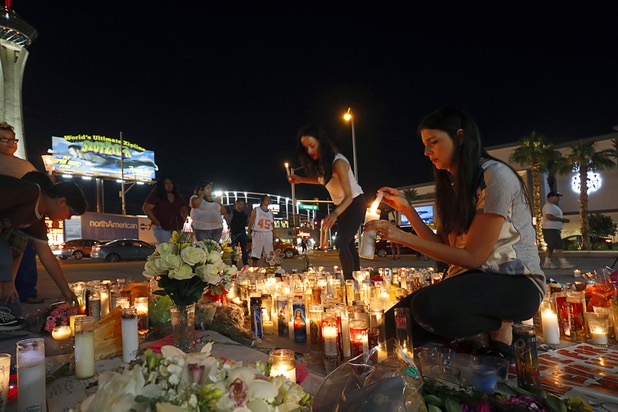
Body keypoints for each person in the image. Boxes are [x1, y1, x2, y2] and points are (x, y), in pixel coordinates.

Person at [367, 107, 545, 357]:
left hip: (514, 284)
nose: (426, 152)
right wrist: (408, 211)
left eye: (433, 142)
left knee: (429, 307)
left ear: (460, 137)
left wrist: (399, 236)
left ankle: (502, 325)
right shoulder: (450, 185)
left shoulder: (495, 176)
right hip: (467, 281)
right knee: (390, 328)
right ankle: (478, 332)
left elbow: (474, 257)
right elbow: (444, 250)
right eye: (425, 145)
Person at [1, 172, 86, 322]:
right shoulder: (28, 193)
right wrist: (6, 280)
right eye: (71, 213)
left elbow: (46, 256)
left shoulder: (36, 220)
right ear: (61, 201)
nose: (67, 218)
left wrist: (67, 292)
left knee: (12, 309)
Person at [288, 124, 365, 280]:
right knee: (347, 243)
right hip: (342, 206)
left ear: (321, 142)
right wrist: (302, 180)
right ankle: (356, 279)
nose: (309, 151)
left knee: (342, 242)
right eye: (306, 148)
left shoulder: (338, 162)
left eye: (312, 146)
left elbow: (349, 196)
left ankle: (350, 282)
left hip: (354, 203)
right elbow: (324, 180)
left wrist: (335, 214)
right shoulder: (324, 163)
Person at [0, 122, 42, 304]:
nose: (11, 143)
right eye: (5, 139)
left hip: (22, 221)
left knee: (24, 254)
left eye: (13, 139)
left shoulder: (24, 165)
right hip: (4, 219)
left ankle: (23, 291)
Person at [142, 176, 188, 244]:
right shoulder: (156, 196)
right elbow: (146, 208)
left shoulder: (177, 197)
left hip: (176, 227)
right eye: (166, 183)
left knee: (176, 249)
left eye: (170, 183)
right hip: (162, 228)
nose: (169, 185)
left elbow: (185, 209)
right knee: (167, 248)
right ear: (161, 185)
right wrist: (157, 222)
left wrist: (182, 220)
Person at [542, 191, 574, 269]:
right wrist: (562, 220)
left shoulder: (551, 206)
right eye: (556, 197)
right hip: (551, 229)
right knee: (558, 246)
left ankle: (547, 263)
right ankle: (564, 263)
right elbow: (549, 216)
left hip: (551, 229)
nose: (558, 198)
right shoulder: (549, 206)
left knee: (551, 247)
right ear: (550, 198)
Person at [247, 195, 275, 267]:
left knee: (269, 254)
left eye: (269, 200)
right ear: (262, 201)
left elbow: (273, 225)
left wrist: (274, 236)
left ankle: (267, 270)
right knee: (256, 254)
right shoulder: (256, 210)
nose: (268, 201)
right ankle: (254, 269)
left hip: (268, 233)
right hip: (258, 232)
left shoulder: (271, 213)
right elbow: (251, 221)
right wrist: (249, 231)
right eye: (266, 200)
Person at [229, 199, 249, 266]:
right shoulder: (232, 213)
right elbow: (229, 221)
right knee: (234, 250)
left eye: (242, 204)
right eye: (240, 204)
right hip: (235, 233)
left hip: (242, 233)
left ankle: (245, 264)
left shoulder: (244, 214)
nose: (241, 206)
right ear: (236, 204)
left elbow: (246, 223)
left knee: (244, 250)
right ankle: (234, 265)